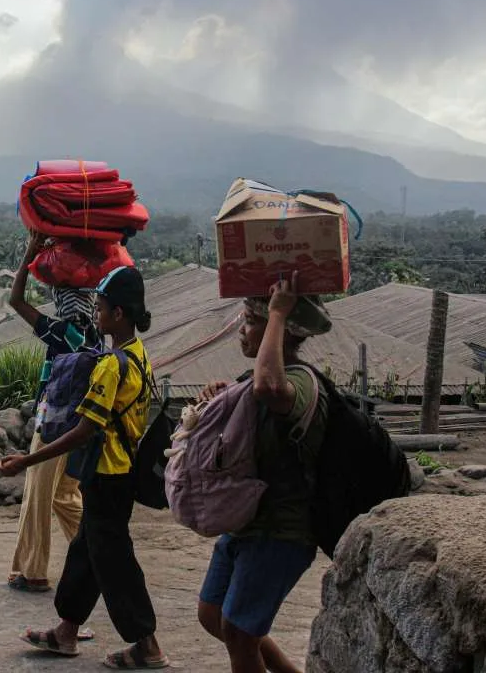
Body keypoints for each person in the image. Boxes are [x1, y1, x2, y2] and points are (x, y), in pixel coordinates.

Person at [0, 265, 169, 670]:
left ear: (120, 315)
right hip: (119, 470)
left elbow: (83, 431)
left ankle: (148, 645)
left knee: (114, 562)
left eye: (103, 308)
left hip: (108, 473)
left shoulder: (111, 366)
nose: (97, 313)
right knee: (86, 553)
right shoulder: (139, 356)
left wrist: (27, 460)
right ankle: (66, 632)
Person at [196, 272, 333, 673]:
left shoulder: (300, 382)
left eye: (251, 321)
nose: (243, 329)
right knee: (213, 613)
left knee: (239, 631)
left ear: (285, 329)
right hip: (245, 525)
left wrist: (276, 313)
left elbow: (270, 389)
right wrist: (216, 399)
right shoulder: (251, 381)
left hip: (281, 531)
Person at [6, 231, 103, 597]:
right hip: (82, 425)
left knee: (37, 495)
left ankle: (32, 572)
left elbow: (15, 299)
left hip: (54, 423)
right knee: (65, 495)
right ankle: (99, 557)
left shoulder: (61, 332)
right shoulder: (96, 334)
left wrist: (30, 250)